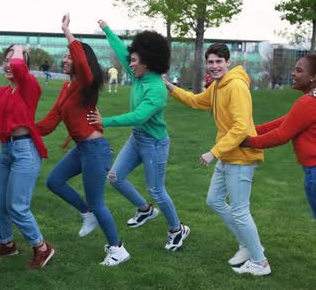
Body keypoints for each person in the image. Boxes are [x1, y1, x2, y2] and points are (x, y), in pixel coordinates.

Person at [162, 43, 270, 276]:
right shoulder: (218, 86)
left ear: (228, 63)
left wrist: (213, 152)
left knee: (241, 211)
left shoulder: (236, 86)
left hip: (240, 157)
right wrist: (170, 87)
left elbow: (241, 127)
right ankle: (247, 245)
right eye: (210, 62)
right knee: (214, 200)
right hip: (228, 155)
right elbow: (195, 101)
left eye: (218, 61)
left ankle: (260, 261)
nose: (214, 66)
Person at [88, 20, 190, 251]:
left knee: (156, 189)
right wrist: (107, 29)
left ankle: (177, 230)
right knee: (114, 177)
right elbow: (122, 51)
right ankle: (145, 210)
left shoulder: (156, 89)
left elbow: (138, 116)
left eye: (134, 60)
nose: (129, 63)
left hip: (154, 144)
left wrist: (105, 121)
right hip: (138, 138)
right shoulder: (138, 74)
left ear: (147, 62)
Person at [36, 14, 128, 266]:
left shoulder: (86, 84)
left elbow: (80, 60)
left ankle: (117, 249)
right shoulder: (67, 88)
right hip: (82, 149)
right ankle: (86, 212)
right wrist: (25, 129)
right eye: (64, 57)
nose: (65, 60)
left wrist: (67, 31)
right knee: (54, 180)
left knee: (99, 203)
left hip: (95, 150)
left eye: (68, 57)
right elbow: (51, 120)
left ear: (80, 61)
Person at [0, 43, 55, 267]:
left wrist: (18, 48)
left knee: (18, 207)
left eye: (14, 59)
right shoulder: (1, 93)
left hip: (25, 151)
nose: (9, 63)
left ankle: (42, 247)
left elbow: (20, 67)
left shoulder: (30, 87)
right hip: (6, 151)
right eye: (6, 59)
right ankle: (8, 244)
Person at [242, 54, 316, 218]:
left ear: (313, 77)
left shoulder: (308, 102)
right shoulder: (310, 101)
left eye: (298, 70)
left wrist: (249, 142)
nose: (292, 74)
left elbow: (282, 135)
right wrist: (254, 129)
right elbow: (287, 121)